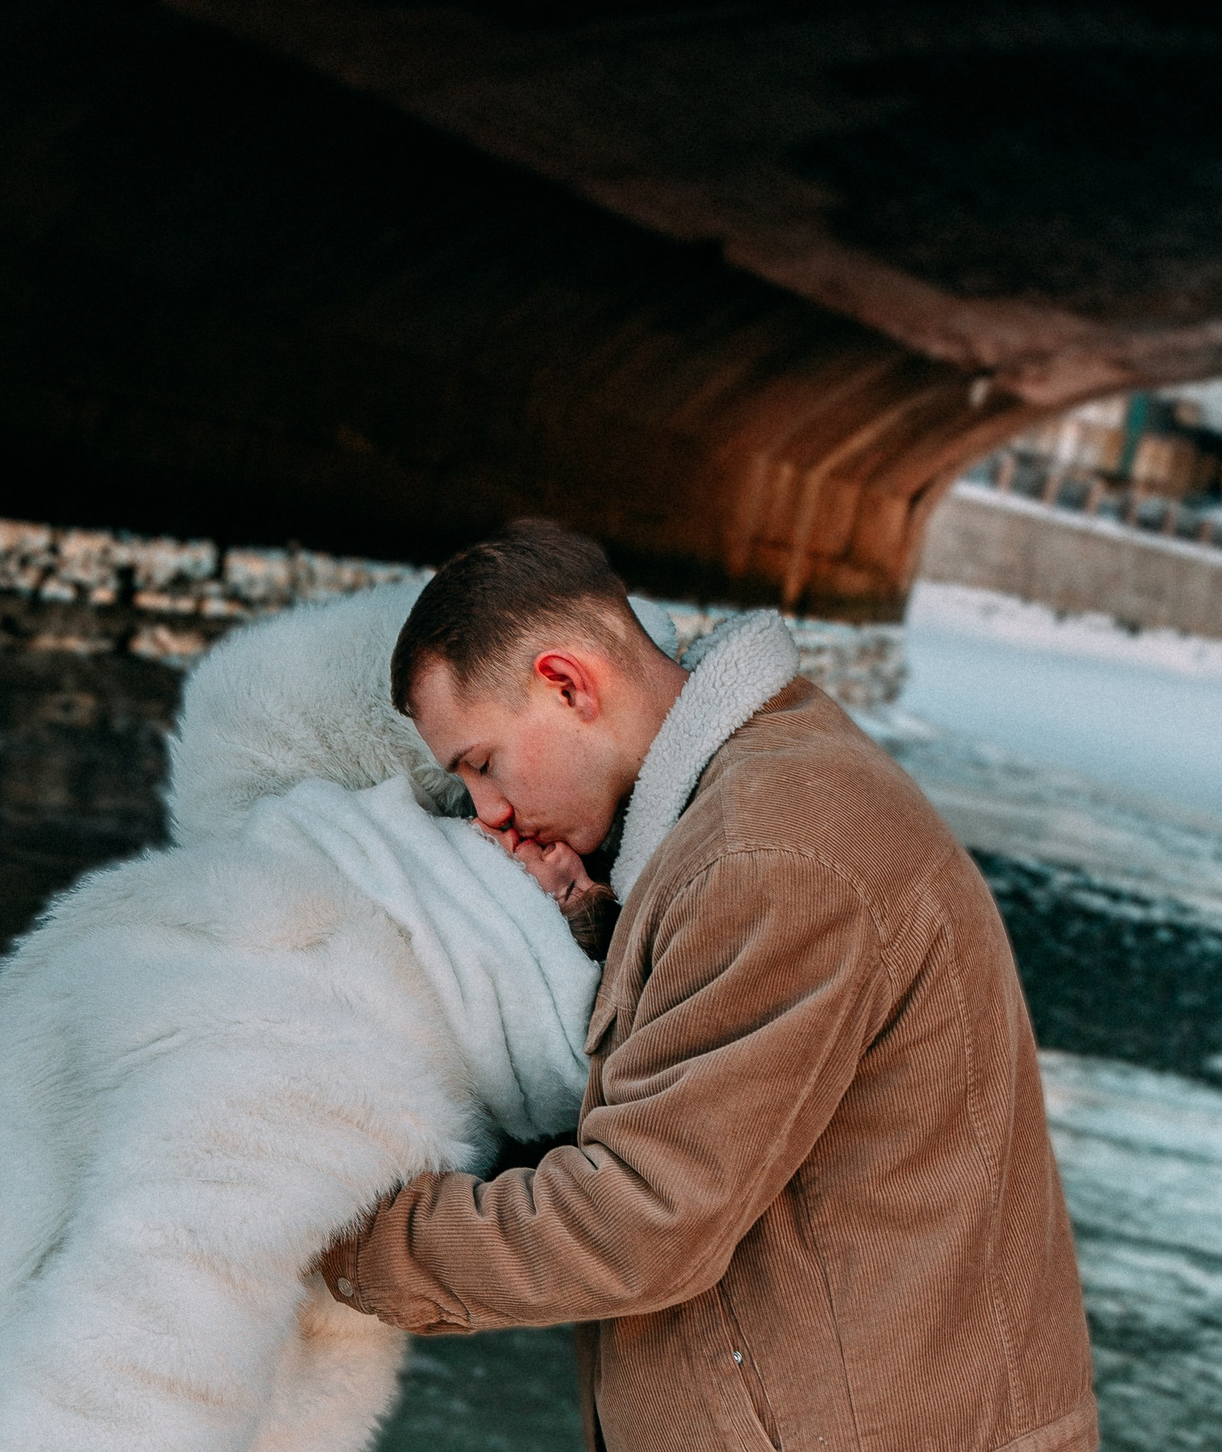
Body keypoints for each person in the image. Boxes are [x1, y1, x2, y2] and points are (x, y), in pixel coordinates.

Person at [318, 520, 1098, 1452]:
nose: (489, 812)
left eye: (483, 764)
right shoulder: (764, 785)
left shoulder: (764, 856)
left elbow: (639, 1221)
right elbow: (720, 1070)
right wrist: (588, 927)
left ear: (567, 684)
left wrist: (342, 1237)